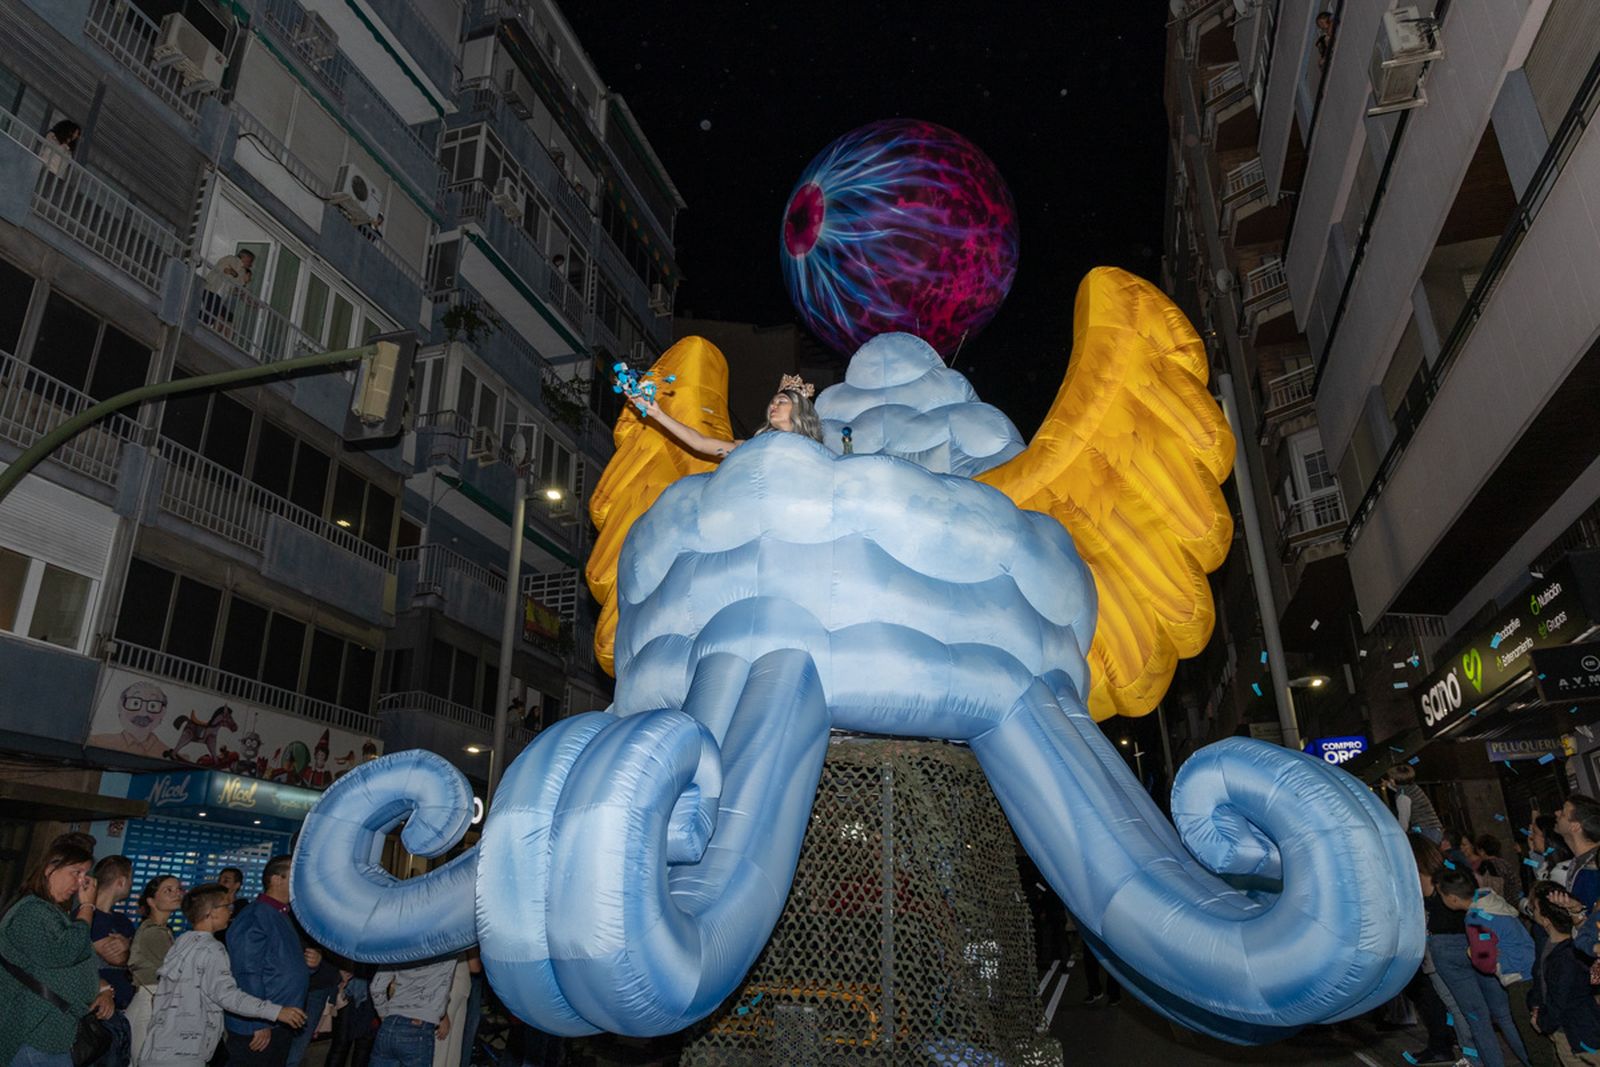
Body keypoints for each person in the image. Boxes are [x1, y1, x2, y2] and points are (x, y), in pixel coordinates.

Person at [141, 884, 306, 1067]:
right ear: (211, 912)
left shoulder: (183, 942)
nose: (231, 911)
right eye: (227, 907)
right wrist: (276, 1012)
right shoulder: (212, 949)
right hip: (184, 1050)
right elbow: (227, 995)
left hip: (161, 1044)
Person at [0, 838, 116, 1067]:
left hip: (52, 1031)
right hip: (33, 1032)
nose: (81, 882)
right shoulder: (31, 910)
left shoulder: (51, 911)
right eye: (76, 872)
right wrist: (87, 907)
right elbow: (64, 953)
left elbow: (78, 961)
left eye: (85, 874)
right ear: (50, 869)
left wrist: (102, 988)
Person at [1437, 866, 1535, 1067]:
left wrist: (1471, 954)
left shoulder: (1475, 918)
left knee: (1522, 1028)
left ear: (1453, 899)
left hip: (1516, 974)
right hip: (1529, 963)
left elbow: (1485, 959)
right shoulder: (1491, 901)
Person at [224, 856, 308, 1067]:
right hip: (260, 1024)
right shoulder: (255, 916)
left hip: (279, 1019)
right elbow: (246, 972)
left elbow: (278, 964)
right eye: (293, 877)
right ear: (276, 880)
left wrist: (310, 966)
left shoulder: (281, 914)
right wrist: (258, 1021)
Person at [637, 373, 824, 459]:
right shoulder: (753, 448)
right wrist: (659, 415)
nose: (773, 405)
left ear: (799, 409)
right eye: (772, 402)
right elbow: (699, 442)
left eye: (781, 401)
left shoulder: (815, 453)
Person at [1528, 881, 1600, 1066]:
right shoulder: (1549, 948)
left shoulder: (1566, 957)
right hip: (1567, 1029)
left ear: (1546, 920)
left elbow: (1560, 997)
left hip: (1577, 1031)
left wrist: (1544, 1022)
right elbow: (1541, 982)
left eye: (1534, 908)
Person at [127, 876, 183, 1067]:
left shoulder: (163, 930)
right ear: (151, 901)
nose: (177, 893)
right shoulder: (152, 931)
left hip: (156, 1003)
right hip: (148, 1005)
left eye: (178, 889)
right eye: (168, 890)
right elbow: (179, 972)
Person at [90, 855, 137, 1067]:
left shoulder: (122, 921)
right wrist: (128, 952)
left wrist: (129, 950)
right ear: (121, 881)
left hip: (124, 1008)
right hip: (98, 1011)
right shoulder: (88, 917)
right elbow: (115, 958)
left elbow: (136, 957)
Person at [369, 957, 456, 1067]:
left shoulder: (398, 946)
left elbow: (376, 988)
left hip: (389, 1025)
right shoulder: (450, 946)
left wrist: (384, 1016)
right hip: (419, 1027)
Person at [1382, 763, 1444, 842]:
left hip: (1424, 831)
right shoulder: (1412, 787)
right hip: (1434, 829)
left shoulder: (1403, 797)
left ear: (1393, 780)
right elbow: (1400, 790)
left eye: (1390, 778)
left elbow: (1404, 825)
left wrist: (1395, 835)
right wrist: (1388, 785)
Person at [201, 250, 254, 335]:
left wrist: (243, 283)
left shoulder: (242, 271)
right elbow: (225, 270)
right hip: (210, 290)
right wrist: (234, 274)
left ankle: (220, 339)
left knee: (228, 318)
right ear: (245, 257)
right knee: (213, 316)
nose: (251, 264)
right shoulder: (231, 259)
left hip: (220, 296)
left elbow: (235, 287)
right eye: (250, 261)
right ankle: (207, 333)